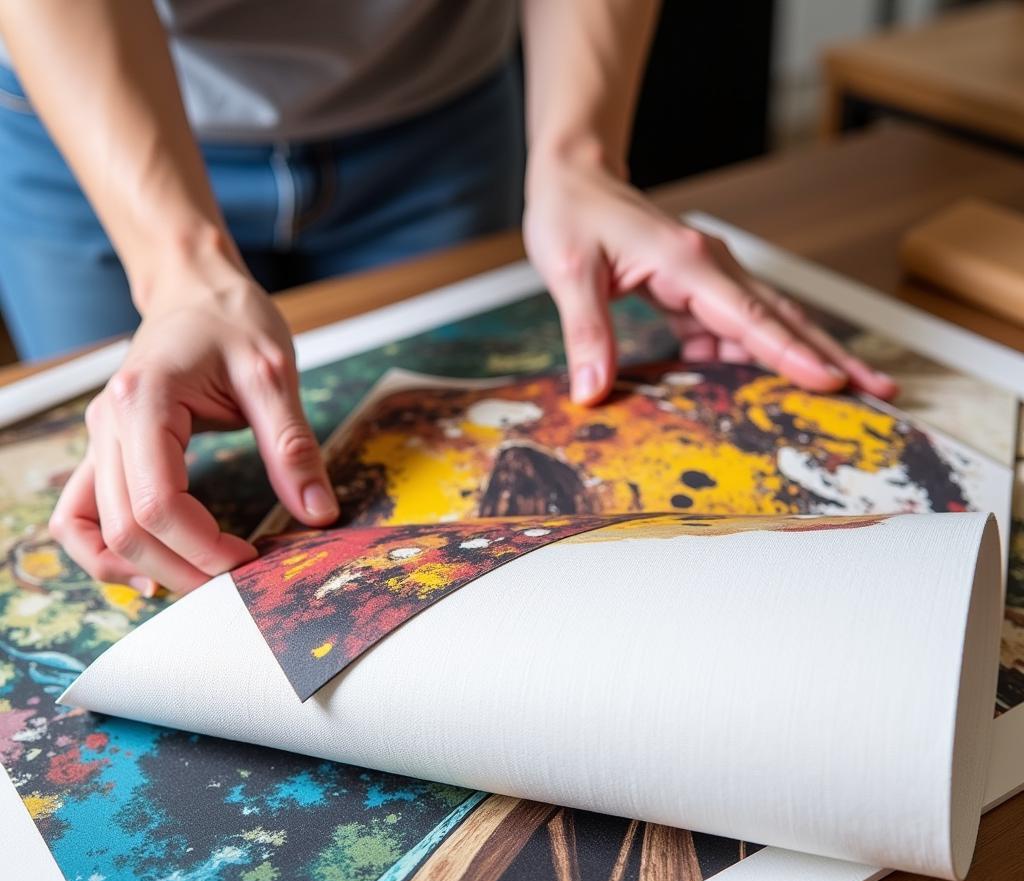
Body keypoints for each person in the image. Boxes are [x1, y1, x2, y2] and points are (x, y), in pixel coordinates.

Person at [0, 1, 896, 596]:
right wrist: (175, 261)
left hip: (438, 117)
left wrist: (580, 156)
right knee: (123, 515)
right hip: (83, 123)